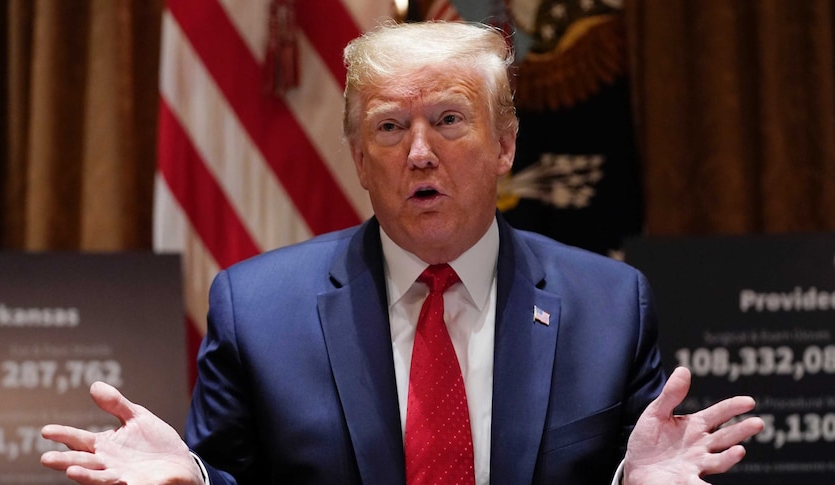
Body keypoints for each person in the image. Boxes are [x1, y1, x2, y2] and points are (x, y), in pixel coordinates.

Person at [40, 21, 763, 485]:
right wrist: (190, 480)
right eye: (389, 128)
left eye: (449, 119)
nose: (420, 153)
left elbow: (634, 465)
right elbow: (229, 473)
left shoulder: (609, 303)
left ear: (505, 144)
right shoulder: (258, 308)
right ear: (359, 158)